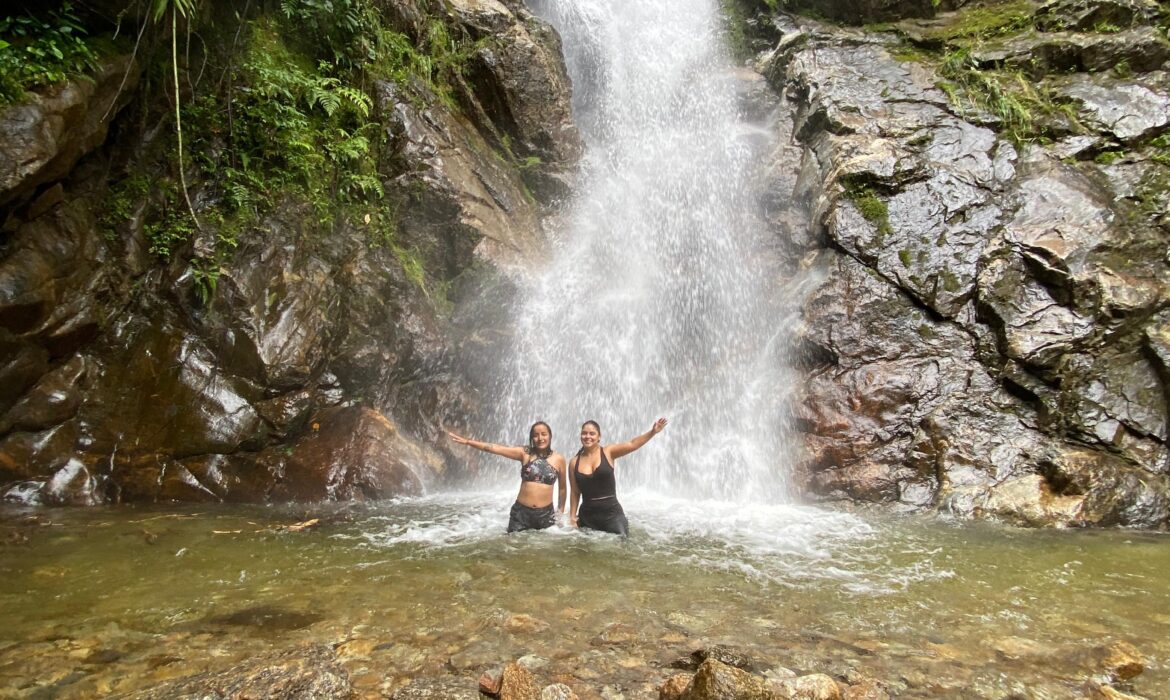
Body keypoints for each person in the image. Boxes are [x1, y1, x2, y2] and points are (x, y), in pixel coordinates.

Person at [446, 421, 567, 533]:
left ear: (550, 436)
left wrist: (560, 513)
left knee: (543, 553)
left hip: (545, 515)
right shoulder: (525, 453)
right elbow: (496, 448)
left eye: (544, 434)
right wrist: (468, 442)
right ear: (532, 438)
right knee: (512, 550)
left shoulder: (559, 459)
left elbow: (562, 489)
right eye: (536, 435)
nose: (540, 438)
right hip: (521, 513)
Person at [569, 418, 667, 537]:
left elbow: (632, 444)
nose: (587, 436)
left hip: (612, 514)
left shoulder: (608, 452)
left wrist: (652, 432)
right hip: (588, 516)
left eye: (592, 433)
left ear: (599, 437)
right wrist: (573, 517)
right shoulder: (574, 462)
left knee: (621, 543)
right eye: (584, 433)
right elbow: (575, 491)